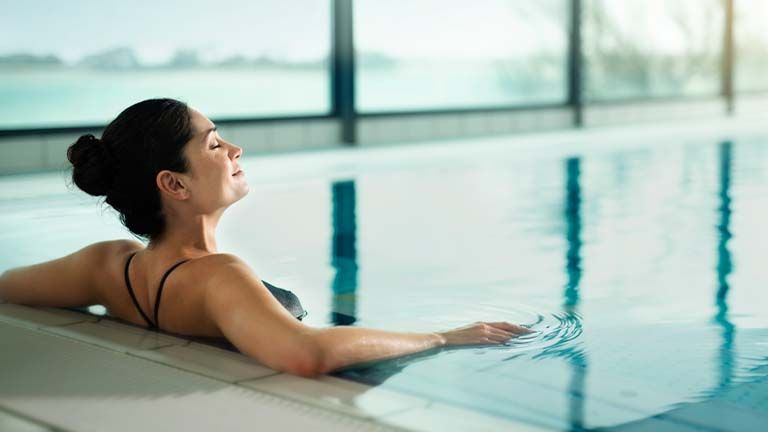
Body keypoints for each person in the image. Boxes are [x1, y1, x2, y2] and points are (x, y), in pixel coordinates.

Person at [0, 98, 532, 378]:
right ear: (173, 184)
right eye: (214, 144)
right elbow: (304, 355)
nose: (235, 149)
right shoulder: (217, 276)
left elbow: (7, 286)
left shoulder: (108, 266)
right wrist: (443, 337)